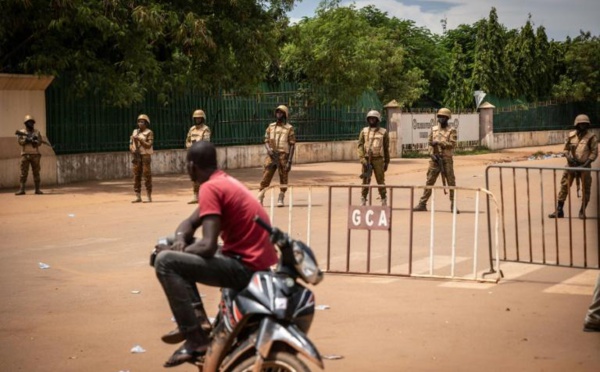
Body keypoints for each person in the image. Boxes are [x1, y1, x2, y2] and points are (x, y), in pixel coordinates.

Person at [154, 141, 278, 368]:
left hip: (246, 267)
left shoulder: (210, 188)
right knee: (172, 243)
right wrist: (180, 241)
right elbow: (189, 223)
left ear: (191, 166)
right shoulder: (222, 181)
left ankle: (195, 339)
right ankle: (200, 320)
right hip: (253, 260)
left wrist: (174, 251)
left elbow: (209, 246)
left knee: (164, 261)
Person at [548, 114, 597, 219]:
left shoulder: (591, 137)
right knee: (564, 186)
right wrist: (568, 157)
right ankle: (559, 210)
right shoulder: (571, 135)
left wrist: (585, 164)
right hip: (571, 166)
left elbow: (594, 153)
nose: (583, 126)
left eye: (585, 124)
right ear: (577, 124)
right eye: (581, 124)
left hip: (584, 167)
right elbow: (565, 149)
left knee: (586, 189)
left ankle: (582, 211)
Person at [413, 107, 459, 213]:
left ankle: (453, 205)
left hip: (446, 159)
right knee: (429, 181)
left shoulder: (451, 130)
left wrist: (439, 143)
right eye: (439, 117)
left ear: (447, 118)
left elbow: (452, 144)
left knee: (451, 182)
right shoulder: (433, 129)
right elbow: (429, 143)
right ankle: (422, 204)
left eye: (443, 117)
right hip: (435, 159)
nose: (441, 119)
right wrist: (431, 154)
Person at [258, 105, 296, 207]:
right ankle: (260, 197)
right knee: (266, 176)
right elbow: (265, 140)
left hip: (283, 156)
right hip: (271, 155)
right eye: (277, 112)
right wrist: (269, 149)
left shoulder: (289, 128)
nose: (278, 114)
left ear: (285, 114)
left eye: (281, 112)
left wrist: (289, 162)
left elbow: (292, 145)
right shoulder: (270, 126)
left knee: (283, 177)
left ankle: (281, 196)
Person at [357, 110, 390, 206]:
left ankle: (383, 198)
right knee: (366, 180)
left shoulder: (383, 132)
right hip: (366, 159)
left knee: (380, 180)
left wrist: (387, 161)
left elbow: (386, 147)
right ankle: (363, 198)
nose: (372, 120)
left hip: (378, 159)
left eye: (374, 118)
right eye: (370, 118)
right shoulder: (364, 131)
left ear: (378, 119)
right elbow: (360, 145)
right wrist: (362, 159)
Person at [15, 115, 46, 195]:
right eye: (29, 122)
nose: (31, 124)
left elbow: (39, 142)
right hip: (25, 154)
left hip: (35, 155)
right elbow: (20, 142)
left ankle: (37, 189)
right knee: (23, 173)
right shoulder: (22, 132)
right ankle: (22, 189)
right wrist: (26, 140)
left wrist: (35, 142)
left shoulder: (37, 132)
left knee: (36, 172)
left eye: (32, 122)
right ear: (25, 123)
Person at [185, 109, 211, 204]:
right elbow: (187, 140)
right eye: (196, 118)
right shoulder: (192, 129)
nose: (197, 119)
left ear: (202, 118)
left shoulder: (205, 129)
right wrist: (190, 147)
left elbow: (206, 142)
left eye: (199, 118)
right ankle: (195, 195)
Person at [130, 114, 154, 203]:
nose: (140, 123)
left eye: (142, 122)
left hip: (145, 155)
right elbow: (130, 143)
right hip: (136, 156)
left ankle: (148, 195)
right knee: (136, 175)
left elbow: (149, 145)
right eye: (139, 122)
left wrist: (140, 140)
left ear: (146, 123)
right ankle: (138, 195)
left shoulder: (149, 132)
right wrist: (132, 149)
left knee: (147, 175)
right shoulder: (135, 132)